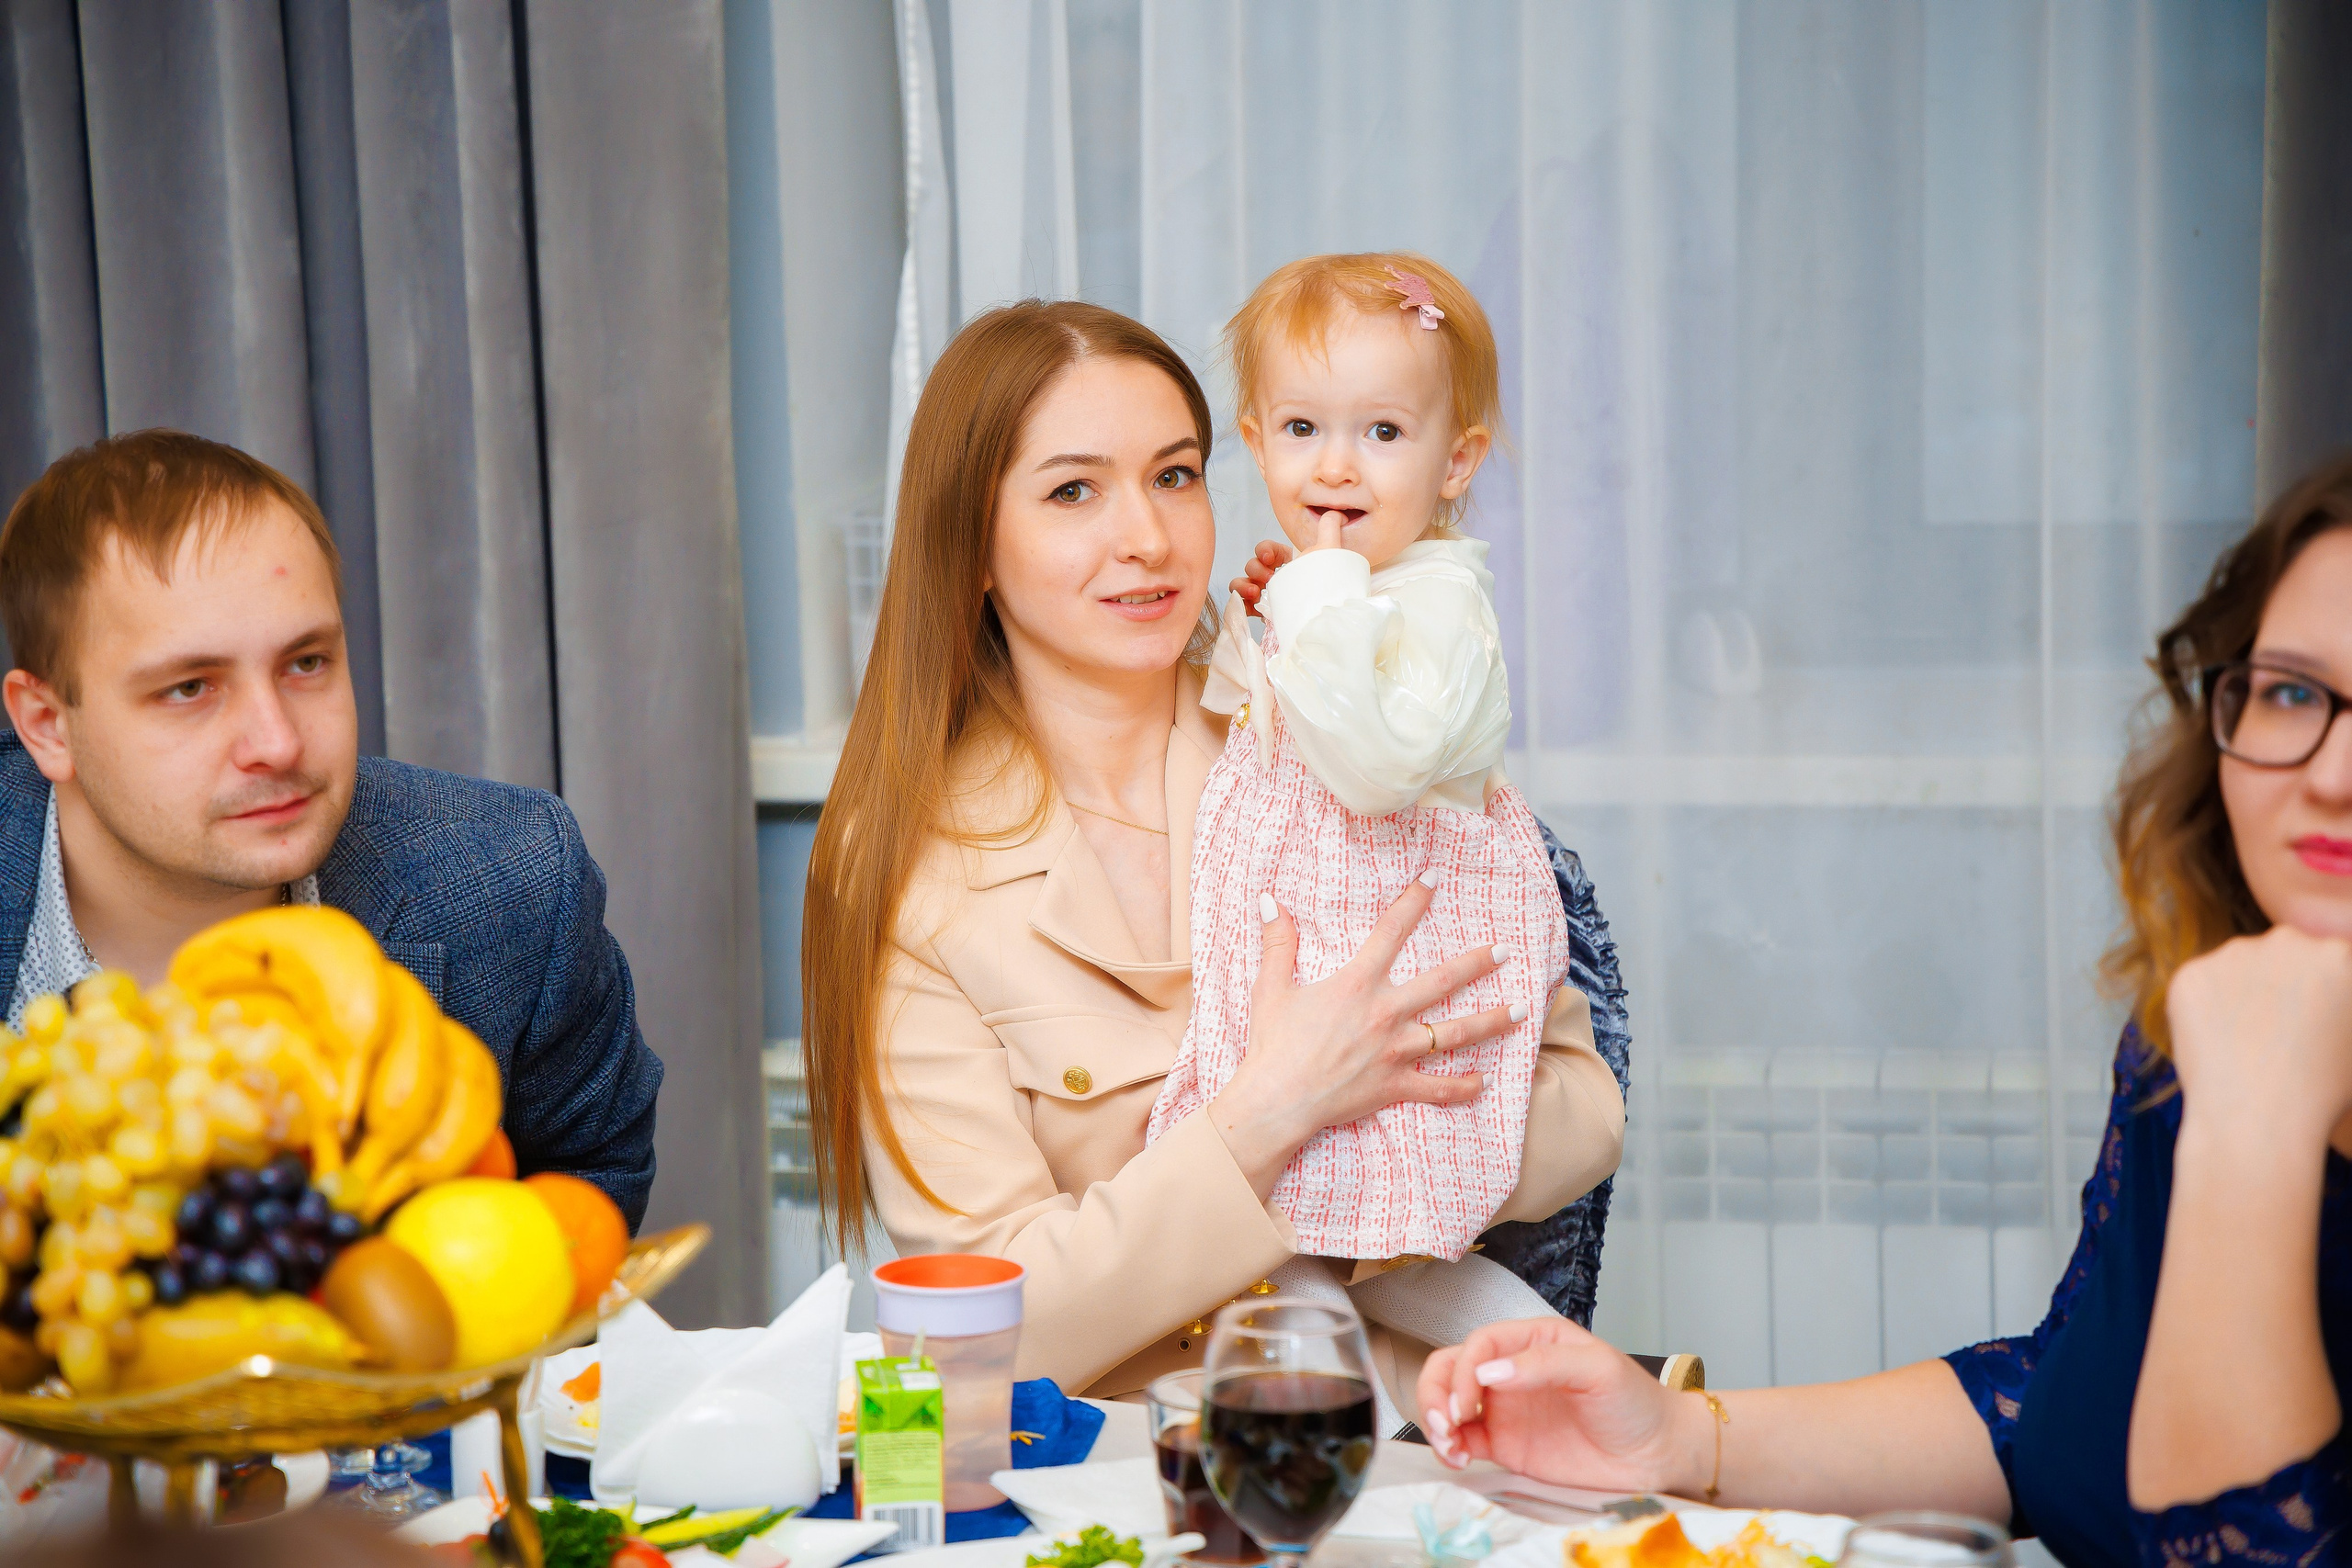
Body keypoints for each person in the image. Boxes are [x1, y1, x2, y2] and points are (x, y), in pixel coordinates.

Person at [1415, 457, 2352, 1564]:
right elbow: (2062, 1406)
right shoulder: (2205, 1023)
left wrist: (2253, 1135)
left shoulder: (2242, 1061)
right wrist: (1672, 1436)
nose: (2329, 776)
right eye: (2292, 691)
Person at [799, 299, 1625, 1406]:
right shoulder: (904, 868)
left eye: (1175, 475)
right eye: (1073, 491)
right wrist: (1271, 1114)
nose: (1147, 537)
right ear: (973, 545)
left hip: (1409, 1419)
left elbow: (1581, 1106)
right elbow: (980, 1336)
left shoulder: (1333, 724)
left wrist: (1364, 1136)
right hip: (1123, 1459)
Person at [0, 431, 662, 1227]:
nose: (278, 742)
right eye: (188, 688)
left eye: (306, 662)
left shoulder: (512, 879)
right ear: (47, 723)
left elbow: (588, 1194)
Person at [1148, 253, 1571, 1349]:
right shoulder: (1348, 587)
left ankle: (1494, 1383)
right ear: (1254, 440)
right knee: (1328, 1241)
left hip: (1387, 944)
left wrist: (1316, 594)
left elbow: (1373, 766)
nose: (1338, 464)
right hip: (1314, 949)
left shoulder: (1440, 601)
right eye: (1302, 430)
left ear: (1453, 461)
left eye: (1382, 432)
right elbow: (1271, 725)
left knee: (1329, 1241)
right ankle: (1502, 1377)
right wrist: (1274, 619)